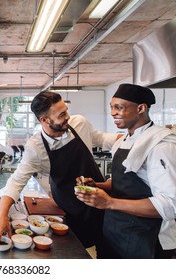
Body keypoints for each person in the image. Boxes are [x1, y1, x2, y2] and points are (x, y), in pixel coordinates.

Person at [0, 90, 119, 258]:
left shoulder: (79, 124)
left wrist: (135, 137)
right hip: (71, 214)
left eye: (66, 110)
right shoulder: (36, 147)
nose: (68, 117)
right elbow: (17, 180)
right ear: (44, 120)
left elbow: (101, 139)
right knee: (78, 255)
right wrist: (1, 213)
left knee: (109, 255)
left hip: (105, 205)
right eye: (62, 114)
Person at [75, 83, 176, 258]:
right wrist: (98, 185)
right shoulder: (122, 141)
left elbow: (169, 205)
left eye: (119, 107)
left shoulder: (161, 145)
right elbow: (125, 182)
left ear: (141, 108)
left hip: (145, 238)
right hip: (115, 231)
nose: (113, 112)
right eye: (111, 107)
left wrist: (109, 203)